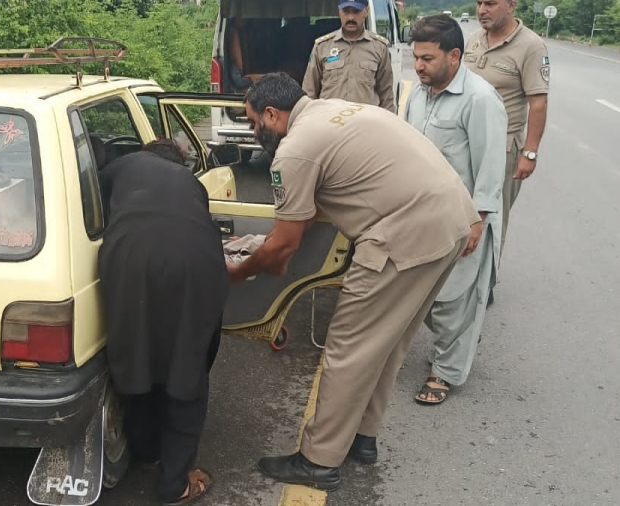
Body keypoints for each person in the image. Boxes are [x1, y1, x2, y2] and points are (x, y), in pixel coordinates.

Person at [227, 73, 479, 491]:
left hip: (405, 234)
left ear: (272, 114)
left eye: (254, 123)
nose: (256, 133)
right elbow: (307, 215)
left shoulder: (294, 151)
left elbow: (286, 245)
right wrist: (261, 242)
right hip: (452, 219)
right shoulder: (332, 111)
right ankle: (362, 438)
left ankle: (318, 460)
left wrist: (238, 270)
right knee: (388, 342)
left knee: (348, 347)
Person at [97, 139, 228, 505]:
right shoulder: (193, 185)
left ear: (145, 153)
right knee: (187, 363)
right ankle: (175, 483)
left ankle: (144, 449)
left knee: (135, 349)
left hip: (128, 254)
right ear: (178, 163)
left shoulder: (121, 167)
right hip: (196, 261)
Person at [404, 15, 508, 404]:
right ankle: (460, 336)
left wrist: (477, 222)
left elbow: (490, 167)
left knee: (454, 299)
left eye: (427, 59)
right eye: (416, 57)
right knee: (425, 297)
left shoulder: (480, 99)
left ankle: (444, 372)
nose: (419, 66)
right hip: (420, 215)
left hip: (462, 218)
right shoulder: (418, 93)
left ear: (454, 55)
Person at [463, 0, 550, 302]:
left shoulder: (531, 46)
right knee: (464, 213)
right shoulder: (474, 39)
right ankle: (460, 278)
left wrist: (530, 152)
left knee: (493, 219)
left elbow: (538, 103)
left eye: (490, 3)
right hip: (467, 145)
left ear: (511, 5)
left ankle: (484, 285)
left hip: (504, 148)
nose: (482, 9)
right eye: (479, 3)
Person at [302, 0, 395, 113]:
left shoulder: (379, 48)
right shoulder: (322, 47)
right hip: (329, 123)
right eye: (346, 11)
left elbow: (386, 95)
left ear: (366, 11)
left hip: (365, 124)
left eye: (356, 11)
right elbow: (309, 92)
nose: (351, 17)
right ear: (339, 12)